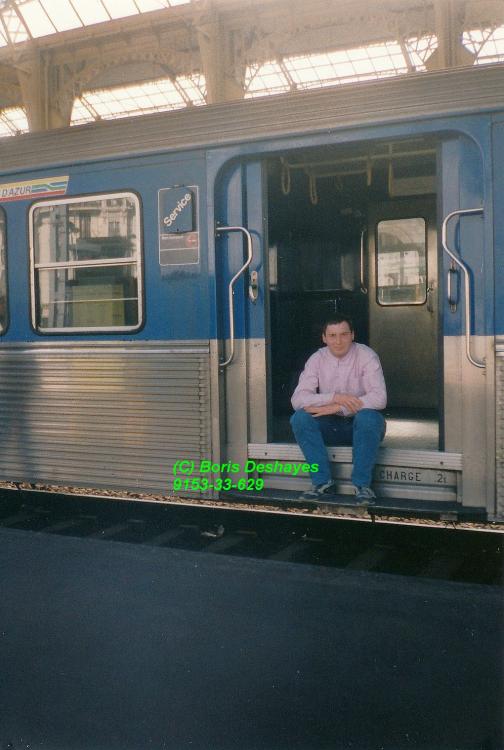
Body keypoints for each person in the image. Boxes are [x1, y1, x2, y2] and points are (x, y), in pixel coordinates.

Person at [290, 315, 386, 504]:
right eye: (332, 336)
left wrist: (338, 407)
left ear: (352, 335)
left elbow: (379, 398)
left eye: (344, 334)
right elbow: (298, 399)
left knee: (369, 418)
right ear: (324, 338)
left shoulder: (366, 355)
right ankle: (322, 483)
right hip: (329, 428)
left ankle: (363, 487)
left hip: (360, 428)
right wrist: (335, 397)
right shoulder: (317, 358)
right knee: (299, 418)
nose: (338, 341)